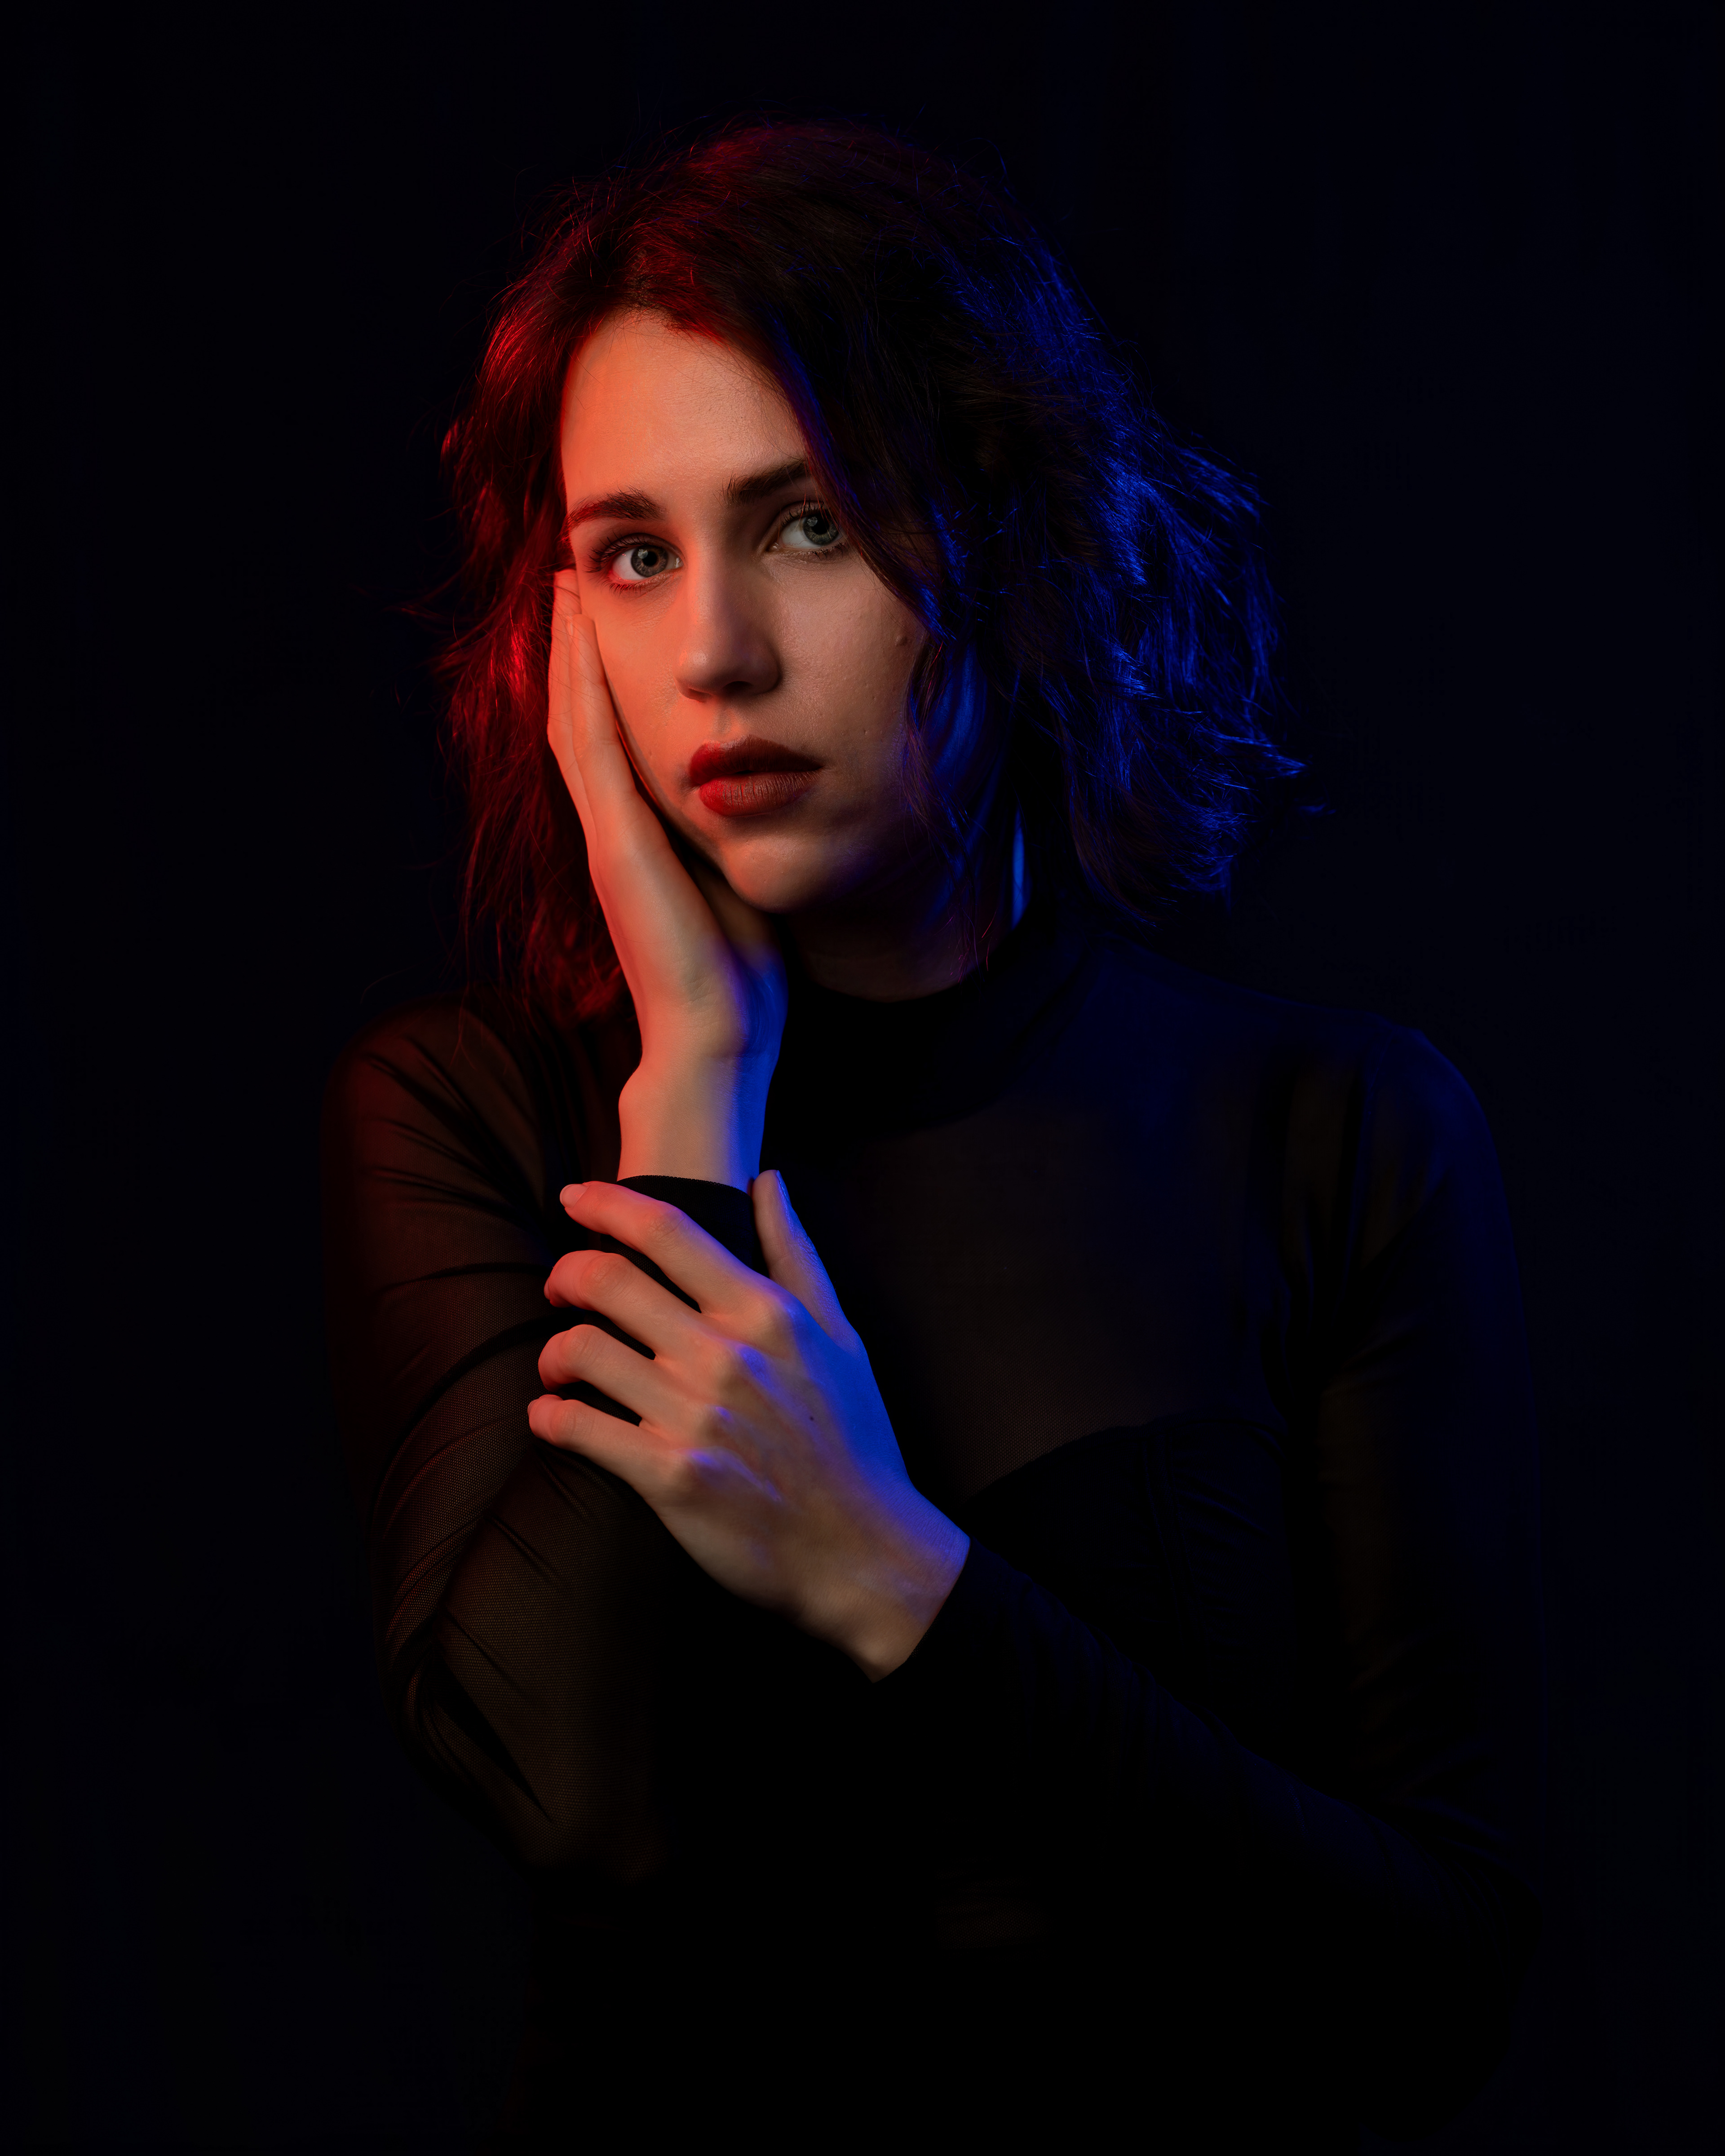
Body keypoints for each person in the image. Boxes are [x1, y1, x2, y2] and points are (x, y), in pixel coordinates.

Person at [321, 119, 1543, 2152]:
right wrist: (697, 1082)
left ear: (1008, 530)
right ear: (558, 634)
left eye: (806, 523)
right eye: (635, 553)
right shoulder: (468, 1118)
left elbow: (1436, 1988)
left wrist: (885, 1571)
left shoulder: (1334, 1131)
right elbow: (581, 1802)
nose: (714, 652)